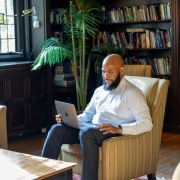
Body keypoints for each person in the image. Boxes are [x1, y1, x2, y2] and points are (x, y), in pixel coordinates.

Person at [41, 54, 153, 180]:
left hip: (113, 131)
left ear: (121, 70)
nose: (105, 76)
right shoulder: (99, 91)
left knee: (86, 133)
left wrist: (119, 129)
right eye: (103, 72)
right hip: (92, 128)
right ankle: (43, 176)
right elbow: (88, 114)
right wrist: (70, 120)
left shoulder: (133, 93)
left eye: (110, 72)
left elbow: (147, 123)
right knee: (57, 129)